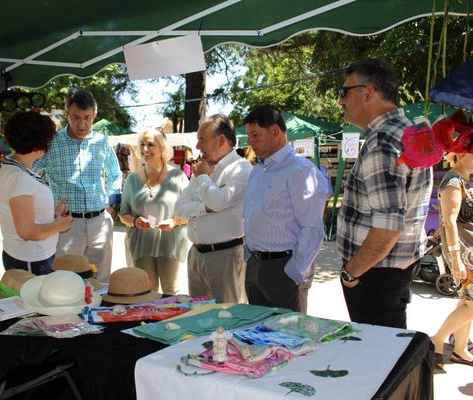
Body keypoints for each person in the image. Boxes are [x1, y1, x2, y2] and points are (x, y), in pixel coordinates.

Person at [336, 58, 433, 329]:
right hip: (391, 269)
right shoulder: (408, 132)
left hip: (373, 273)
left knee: (380, 359)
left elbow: (388, 227)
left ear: (367, 92)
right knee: (390, 350)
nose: (340, 101)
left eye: (344, 92)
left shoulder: (382, 141)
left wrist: (350, 271)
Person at [242, 105, 329, 313]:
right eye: (249, 136)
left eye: (255, 135)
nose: (250, 142)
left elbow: (312, 228)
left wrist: (295, 271)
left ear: (275, 131)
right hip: (255, 264)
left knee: (290, 338)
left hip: (284, 267)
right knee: (261, 337)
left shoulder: (300, 170)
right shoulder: (258, 171)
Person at [34, 89, 121, 283]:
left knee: (101, 281)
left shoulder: (102, 141)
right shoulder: (51, 143)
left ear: (94, 115)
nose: (81, 124)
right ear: (67, 115)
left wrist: (112, 203)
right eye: (75, 117)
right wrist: (46, 207)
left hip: (100, 221)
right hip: (67, 224)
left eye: (87, 118)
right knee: (66, 280)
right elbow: (31, 172)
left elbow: (115, 173)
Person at [430, 124, 473, 370]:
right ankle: (437, 339)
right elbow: (449, 220)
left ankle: (460, 349)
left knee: (467, 303)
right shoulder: (453, 181)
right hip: (465, 253)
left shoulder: (466, 179)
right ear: (459, 153)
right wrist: (456, 259)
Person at [174, 114, 252, 303]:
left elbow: (218, 202)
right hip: (197, 255)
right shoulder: (205, 168)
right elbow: (179, 207)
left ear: (222, 140)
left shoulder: (241, 168)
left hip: (225, 256)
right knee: (199, 318)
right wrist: (204, 208)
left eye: (202, 139)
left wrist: (202, 179)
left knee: (228, 318)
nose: (198, 146)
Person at [0, 111, 73, 275]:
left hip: (29, 257)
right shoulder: (19, 178)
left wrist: (51, 213)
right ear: (39, 146)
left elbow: (24, 214)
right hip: (30, 260)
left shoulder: (16, 170)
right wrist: (59, 225)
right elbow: (27, 232)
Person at [119, 128, 189, 295]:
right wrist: (136, 221)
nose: (144, 149)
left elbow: (191, 211)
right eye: (142, 144)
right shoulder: (132, 179)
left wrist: (175, 221)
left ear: (163, 148)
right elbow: (123, 214)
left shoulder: (178, 177)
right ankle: (149, 323)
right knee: (145, 292)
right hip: (141, 245)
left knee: (170, 292)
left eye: (150, 145)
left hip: (171, 243)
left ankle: (171, 322)